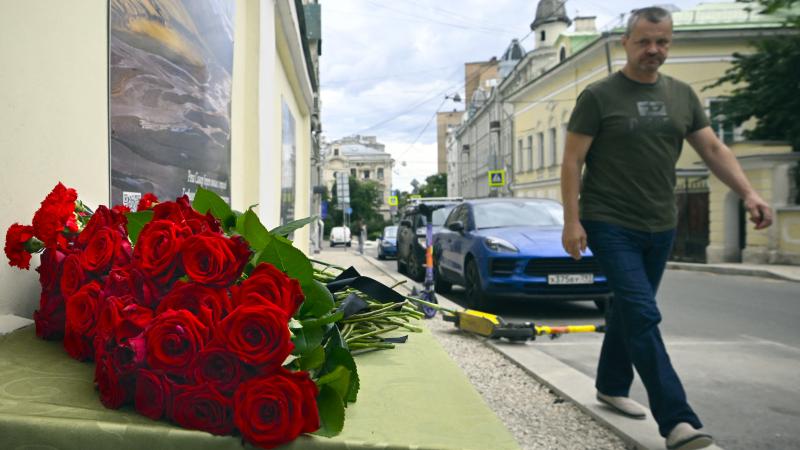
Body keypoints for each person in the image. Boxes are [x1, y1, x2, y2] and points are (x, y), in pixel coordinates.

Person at [560, 6, 772, 450]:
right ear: (626, 43)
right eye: (644, 42)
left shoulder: (682, 95)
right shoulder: (599, 97)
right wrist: (572, 220)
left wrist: (749, 192)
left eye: (662, 42)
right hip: (609, 220)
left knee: (630, 312)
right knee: (643, 313)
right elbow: (573, 160)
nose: (654, 50)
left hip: (660, 223)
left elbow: (712, 148)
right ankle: (678, 422)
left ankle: (611, 384)